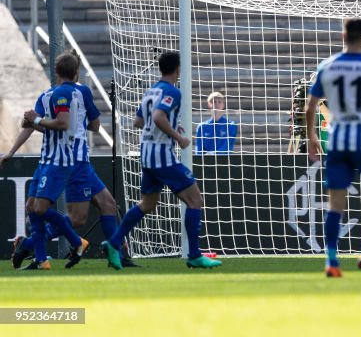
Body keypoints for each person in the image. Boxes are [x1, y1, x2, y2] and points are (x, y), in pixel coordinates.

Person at [103, 51, 222, 270]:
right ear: (178, 68)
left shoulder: (151, 90)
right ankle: (194, 255)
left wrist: (169, 126)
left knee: (147, 203)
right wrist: (179, 137)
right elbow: (158, 117)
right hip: (162, 155)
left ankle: (113, 241)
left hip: (146, 154)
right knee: (195, 200)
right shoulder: (172, 92)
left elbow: (139, 122)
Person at [4, 76, 138, 269]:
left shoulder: (49, 96)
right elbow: (95, 125)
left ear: (57, 75)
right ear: (76, 73)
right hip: (73, 161)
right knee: (76, 218)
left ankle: (116, 254)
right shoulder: (80, 92)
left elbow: (33, 125)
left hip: (80, 161)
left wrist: (12, 151)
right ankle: (31, 245)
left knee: (108, 204)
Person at [306, 18, 361, 278]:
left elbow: (311, 107)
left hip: (337, 141)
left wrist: (311, 136)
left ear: (343, 36)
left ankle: (332, 262)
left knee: (335, 204)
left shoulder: (327, 66)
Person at [11, 53, 90, 270]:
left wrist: (35, 119)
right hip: (46, 159)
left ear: (55, 72)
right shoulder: (52, 95)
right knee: (31, 206)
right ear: (75, 72)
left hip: (60, 159)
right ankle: (41, 259)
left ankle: (76, 242)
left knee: (39, 208)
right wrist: (33, 121)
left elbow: (63, 125)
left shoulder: (65, 93)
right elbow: (47, 128)